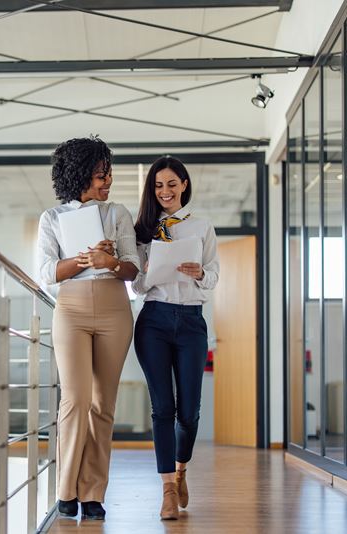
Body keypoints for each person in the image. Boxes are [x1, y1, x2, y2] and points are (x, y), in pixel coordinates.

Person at [36, 136, 139, 521]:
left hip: (114, 308)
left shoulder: (118, 213)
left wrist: (109, 261)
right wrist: (83, 260)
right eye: (100, 175)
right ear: (79, 175)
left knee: (102, 405)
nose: (107, 181)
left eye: (108, 174)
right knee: (75, 400)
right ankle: (66, 489)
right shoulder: (53, 219)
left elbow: (133, 267)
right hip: (72, 309)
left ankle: (93, 492)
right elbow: (47, 273)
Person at [131, 156, 219, 520]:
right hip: (153, 320)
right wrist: (148, 271)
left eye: (171, 184)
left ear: (184, 184)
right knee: (162, 409)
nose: (164, 191)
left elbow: (213, 277)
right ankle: (167, 489)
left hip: (191, 322)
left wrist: (200, 272)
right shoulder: (143, 230)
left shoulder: (201, 226)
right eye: (157, 185)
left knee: (189, 412)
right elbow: (135, 286)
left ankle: (181, 471)